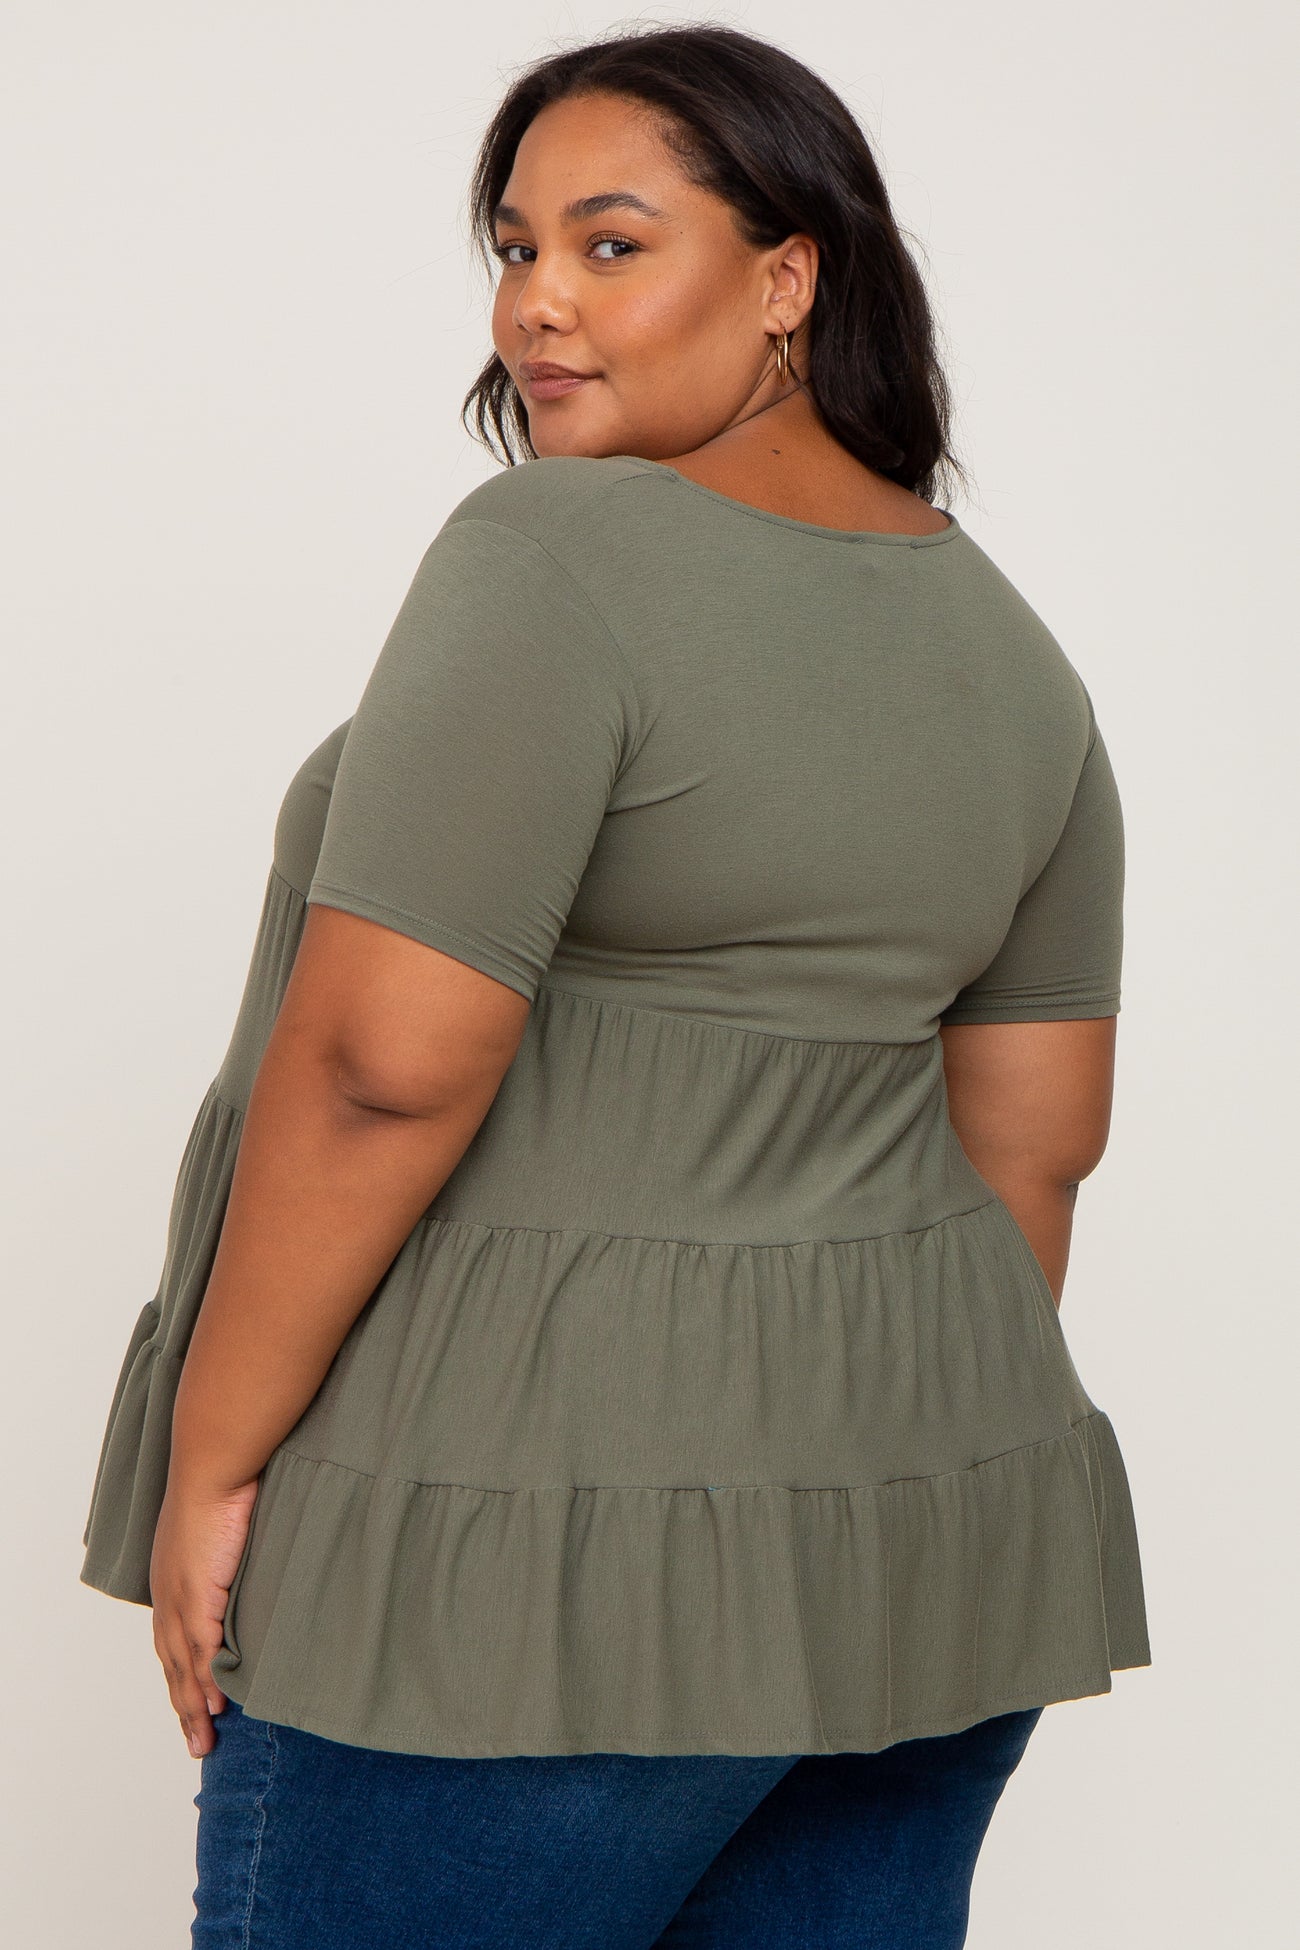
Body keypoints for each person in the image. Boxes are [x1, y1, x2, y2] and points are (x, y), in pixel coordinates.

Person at [78, 23, 1150, 1948]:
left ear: (788, 277)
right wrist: (847, 1481)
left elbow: (383, 1070)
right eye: (514, 247)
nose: (536, 302)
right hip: (925, 1549)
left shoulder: (555, 554)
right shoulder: (1011, 649)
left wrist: (210, 1463)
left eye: (610, 242)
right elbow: (1038, 1152)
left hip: (525, 1559)